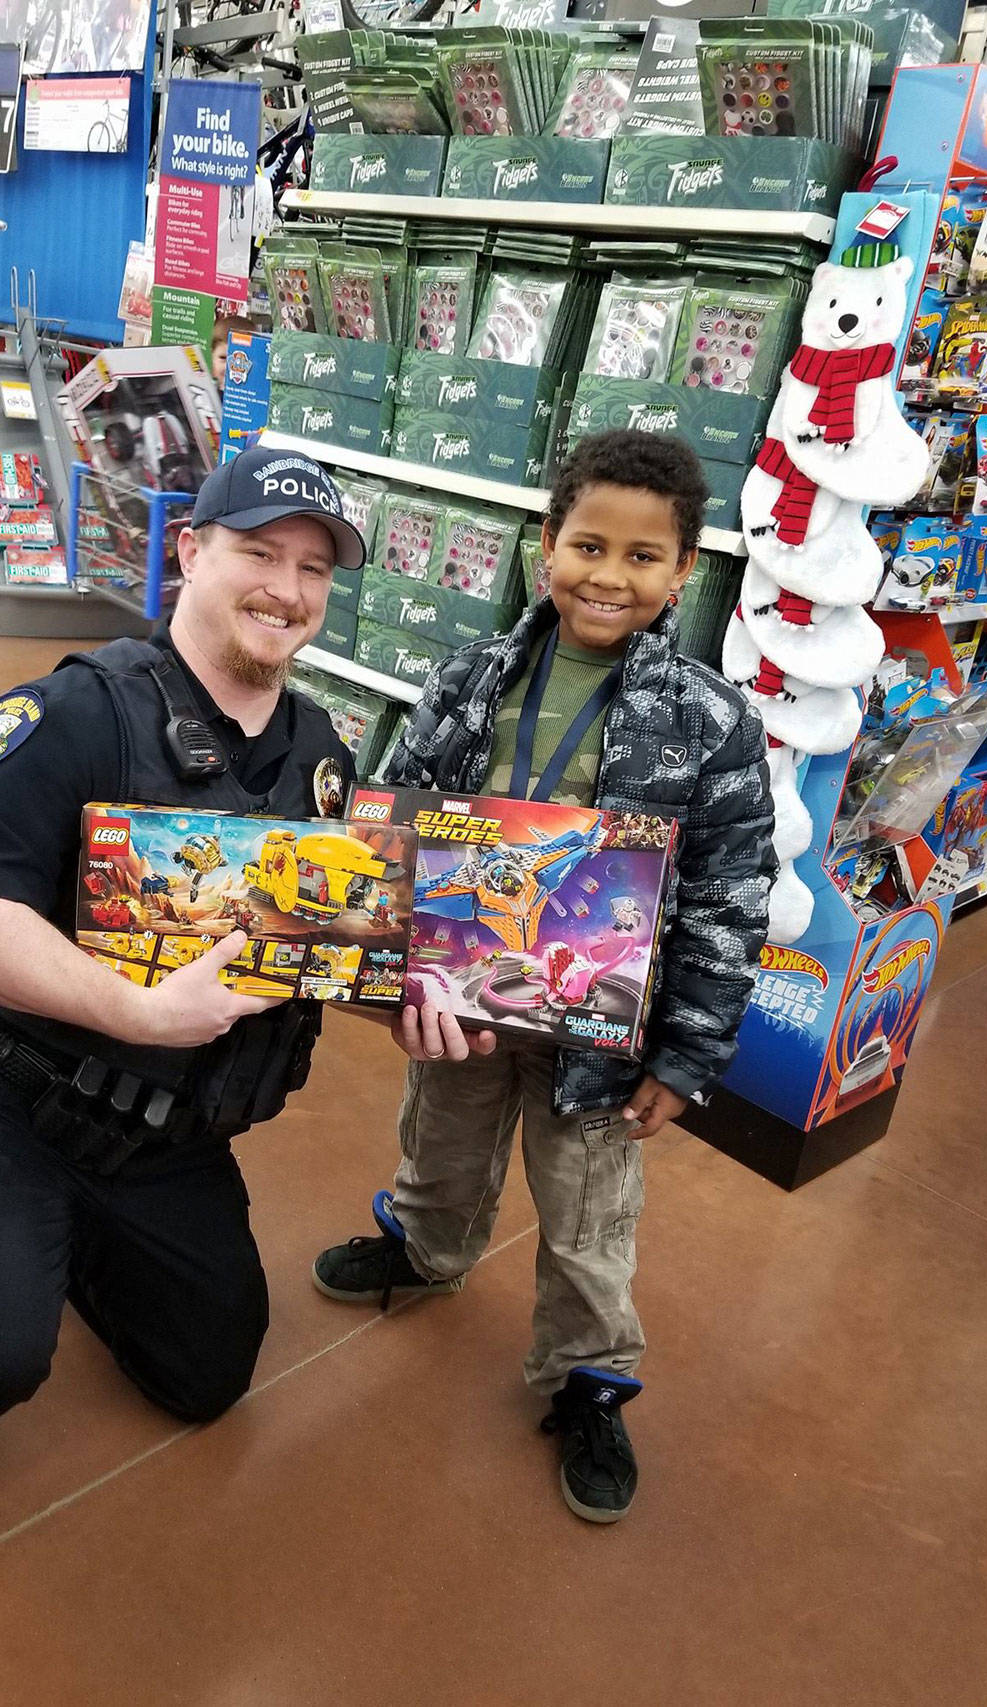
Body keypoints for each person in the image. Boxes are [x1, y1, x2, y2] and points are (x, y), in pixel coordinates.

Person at [0, 447, 390, 1492]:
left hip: (163, 1131)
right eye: (257, 552)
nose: (286, 590)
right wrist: (140, 1013)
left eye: (314, 569)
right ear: (188, 551)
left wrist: (418, 999)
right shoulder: (73, 715)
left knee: (207, 1376)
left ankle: (58, 1254)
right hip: (7, 1096)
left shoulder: (324, 756)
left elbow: (323, 940)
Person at [314, 430, 777, 1525]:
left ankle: (587, 1378)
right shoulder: (469, 677)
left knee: (585, 1217)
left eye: (640, 557)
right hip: (461, 1004)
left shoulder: (710, 723)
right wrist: (386, 976)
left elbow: (727, 899)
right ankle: (424, 1247)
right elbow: (398, 829)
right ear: (543, 546)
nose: (607, 577)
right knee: (439, 1135)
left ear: (681, 573)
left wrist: (688, 1052)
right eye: (585, 545)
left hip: (599, 1035)